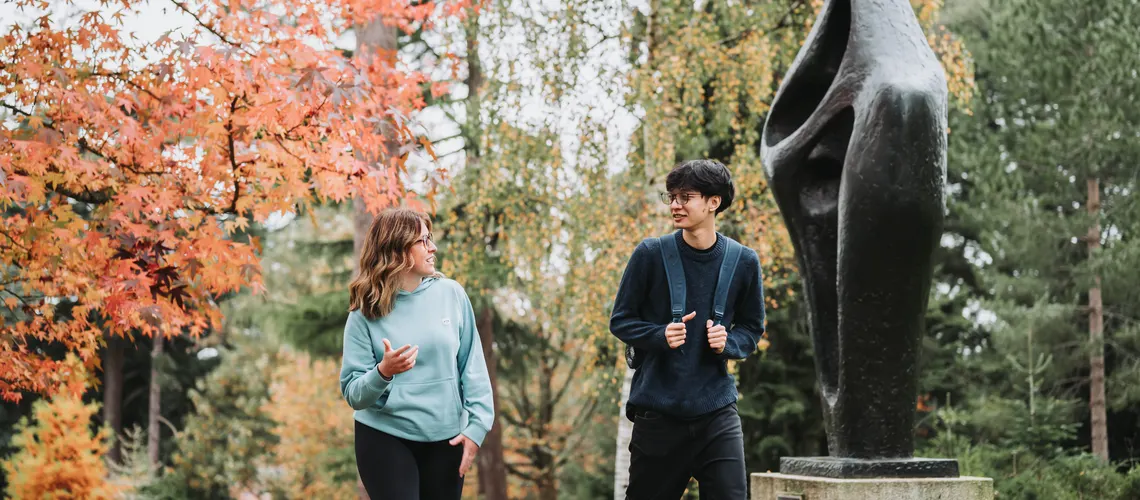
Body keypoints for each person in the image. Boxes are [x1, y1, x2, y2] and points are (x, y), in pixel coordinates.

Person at [610, 159, 767, 499]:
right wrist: (659, 335)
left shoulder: (744, 261)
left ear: (714, 202)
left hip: (717, 413)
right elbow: (620, 320)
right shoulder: (650, 254)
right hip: (658, 415)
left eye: (685, 197)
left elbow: (752, 328)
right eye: (672, 197)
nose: (675, 205)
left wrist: (728, 342)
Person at [339, 207, 494, 500]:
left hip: (447, 437)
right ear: (396, 249)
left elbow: (473, 369)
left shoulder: (451, 294)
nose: (433, 247)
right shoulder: (364, 312)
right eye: (423, 241)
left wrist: (476, 428)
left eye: (430, 238)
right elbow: (353, 393)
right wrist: (383, 372)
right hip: (384, 437)